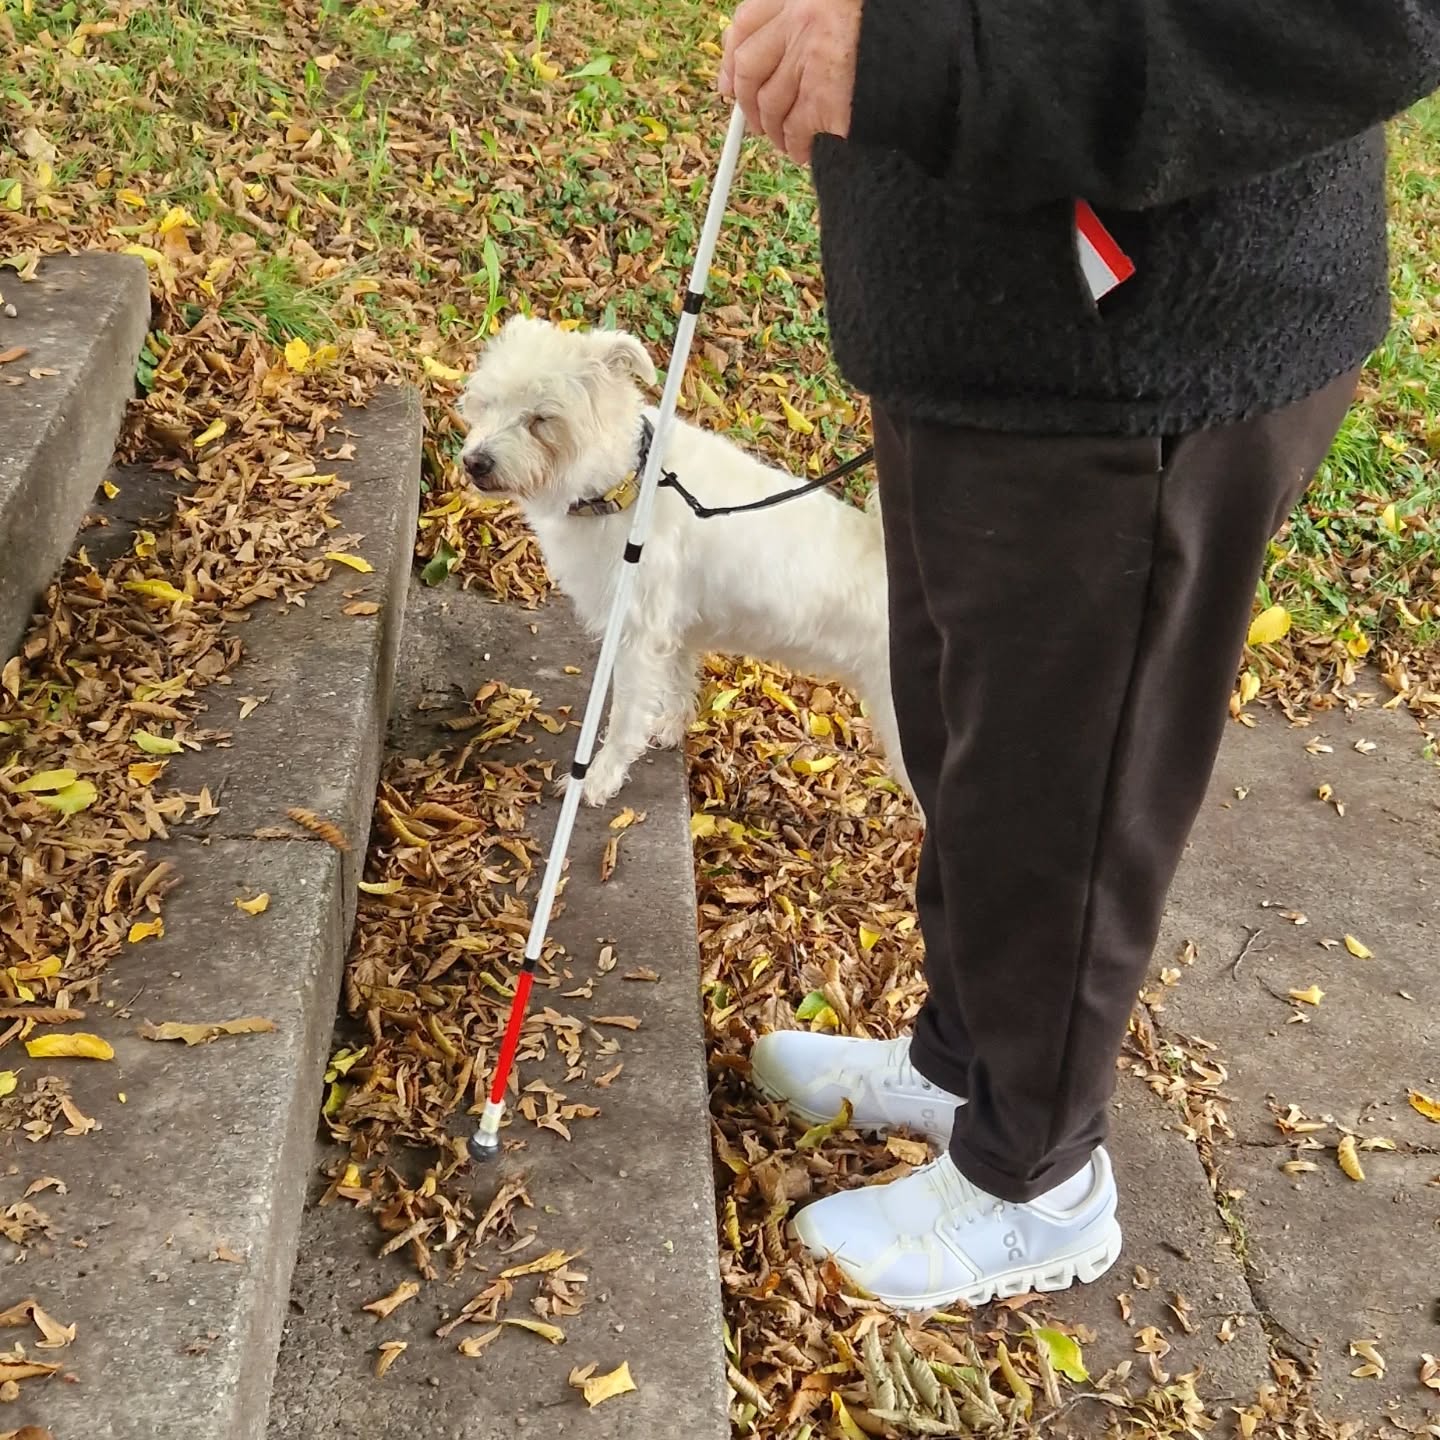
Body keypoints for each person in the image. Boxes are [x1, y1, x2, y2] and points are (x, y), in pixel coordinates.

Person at [719, 0, 1440, 1309]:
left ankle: (1034, 1181)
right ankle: (964, 1065)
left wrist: (926, 53)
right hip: (970, 311)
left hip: (1141, 336)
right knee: (966, 734)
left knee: (1066, 794)